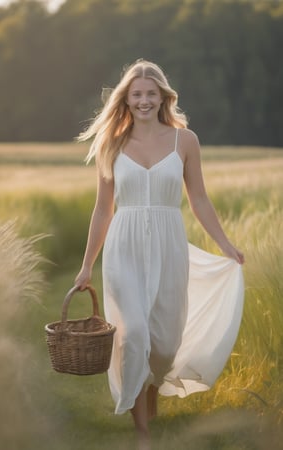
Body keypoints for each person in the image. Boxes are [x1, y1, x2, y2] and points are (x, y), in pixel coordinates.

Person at [75, 59, 244, 450]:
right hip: (124, 247)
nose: (144, 100)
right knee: (134, 334)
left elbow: (198, 198)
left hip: (169, 246)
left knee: (165, 345)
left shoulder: (185, 141)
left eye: (151, 94)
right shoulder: (111, 143)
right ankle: (143, 434)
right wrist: (86, 265)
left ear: (164, 97)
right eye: (137, 94)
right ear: (127, 99)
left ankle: (150, 387)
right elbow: (103, 209)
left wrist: (226, 245)